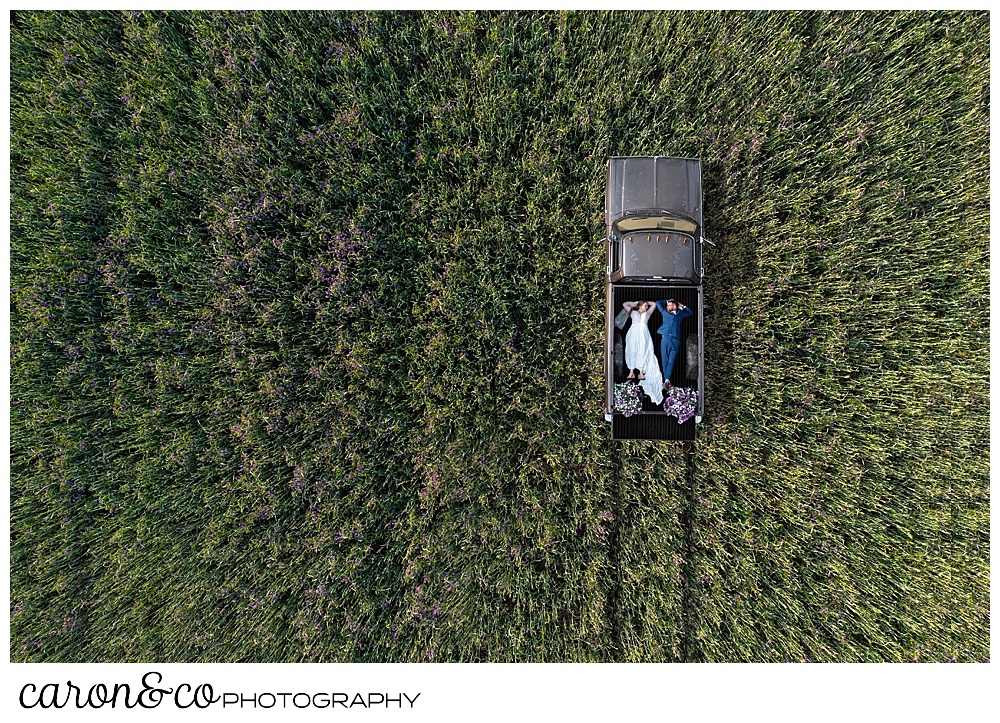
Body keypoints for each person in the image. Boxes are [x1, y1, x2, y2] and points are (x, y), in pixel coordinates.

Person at [622, 301, 664, 405]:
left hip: (644, 333)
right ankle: (631, 372)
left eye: (646, 306)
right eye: (645, 305)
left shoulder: (648, 313)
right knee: (632, 350)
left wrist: (646, 302)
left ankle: (640, 372)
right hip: (633, 332)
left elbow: (654, 304)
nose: (646, 307)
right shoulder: (633, 312)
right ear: (640, 306)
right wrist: (636, 302)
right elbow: (624, 304)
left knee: (643, 350)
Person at [655, 299, 692, 389]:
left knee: (671, 361)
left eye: (672, 305)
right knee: (665, 359)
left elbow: (690, 312)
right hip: (666, 338)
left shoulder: (680, 314)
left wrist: (682, 306)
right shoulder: (664, 312)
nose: (670, 306)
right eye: (669, 305)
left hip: (675, 339)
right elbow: (657, 303)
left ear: (676, 306)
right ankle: (666, 379)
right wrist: (667, 301)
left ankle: (667, 379)